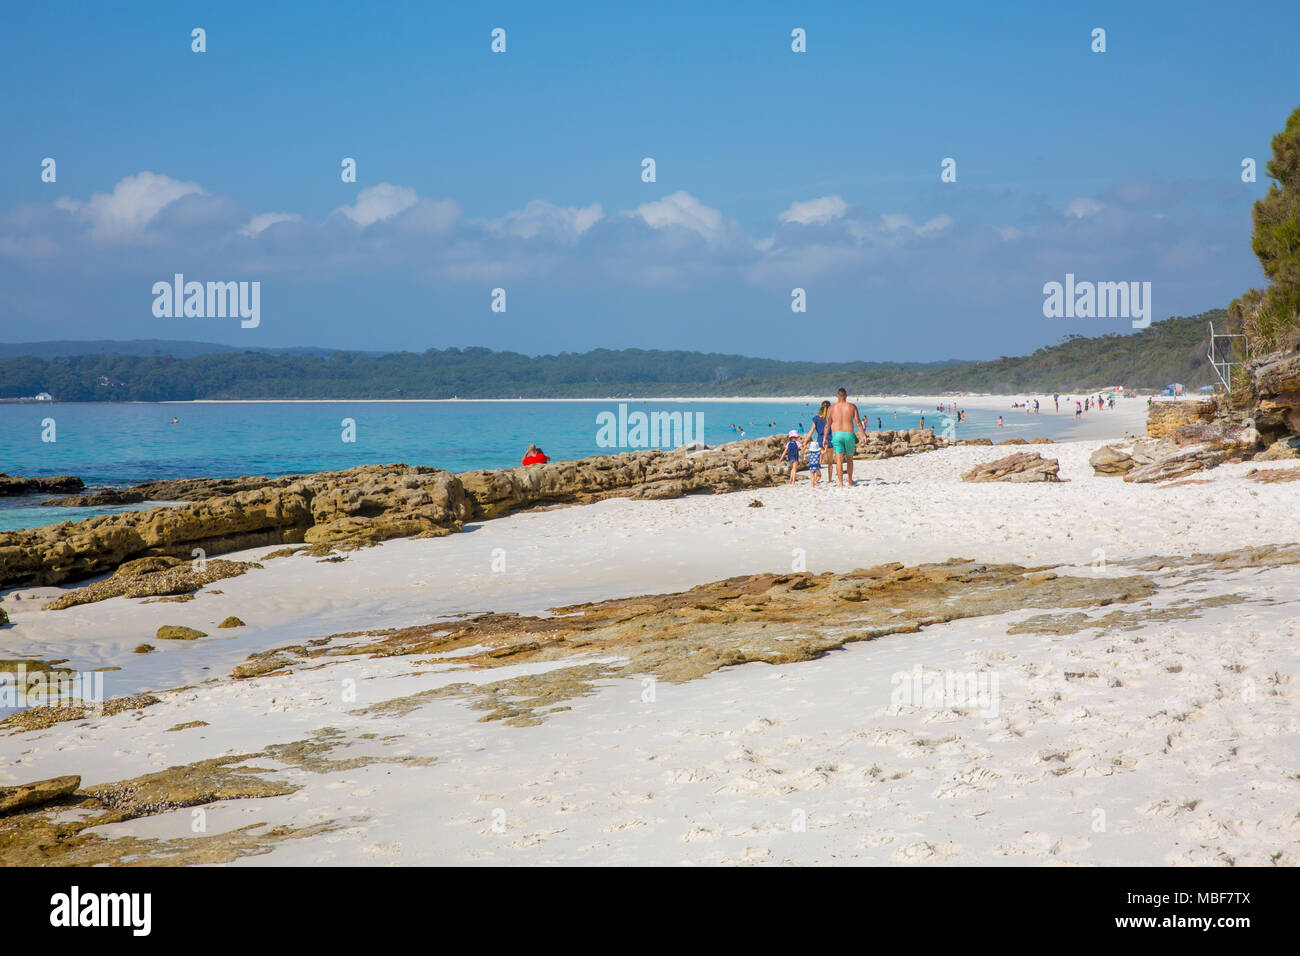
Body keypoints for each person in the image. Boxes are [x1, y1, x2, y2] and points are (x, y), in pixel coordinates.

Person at [825, 388, 866, 487]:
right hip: (849, 434)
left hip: (837, 435)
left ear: (837, 396)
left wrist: (824, 438)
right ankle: (850, 481)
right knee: (849, 459)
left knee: (839, 460)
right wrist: (863, 435)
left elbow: (827, 424)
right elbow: (858, 423)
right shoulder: (852, 407)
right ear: (846, 395)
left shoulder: (831, 408)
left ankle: (840, 483)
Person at [805, 400, 832, 481]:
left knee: (818, 462)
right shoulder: (831, 418)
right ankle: (830, 479)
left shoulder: (816, 419)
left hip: (820, 441)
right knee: (830, 463)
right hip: (830, 441)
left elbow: (811, 431)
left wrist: (805, 441)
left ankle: (817, 477)